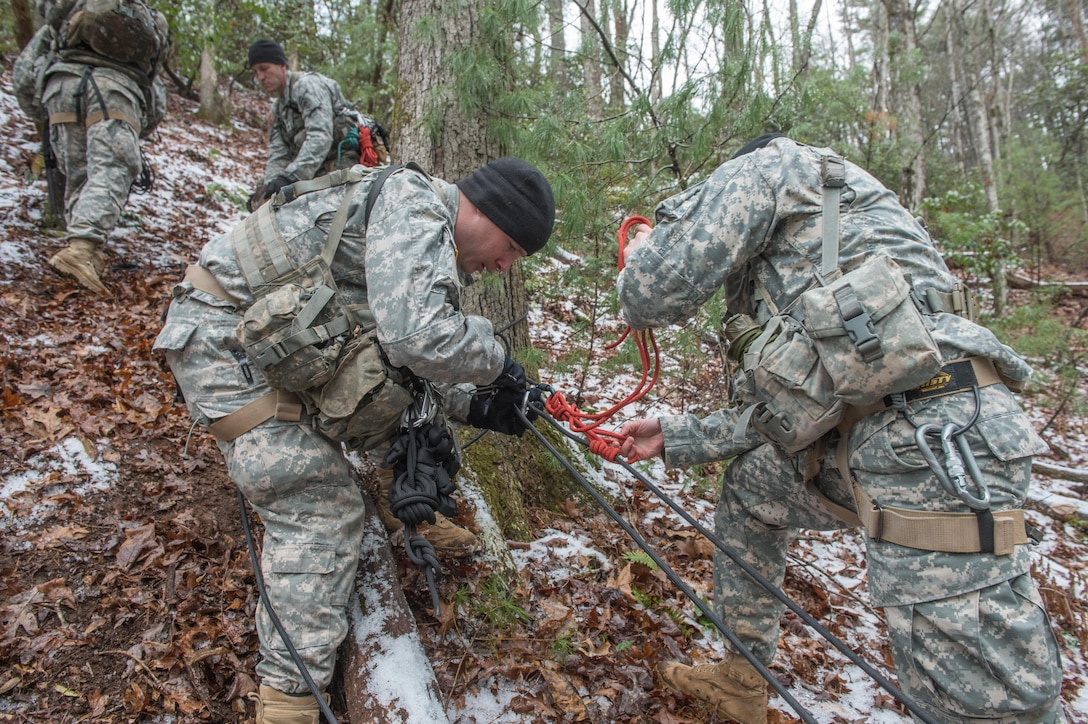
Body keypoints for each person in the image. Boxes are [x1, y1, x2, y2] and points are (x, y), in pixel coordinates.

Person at [614, 135, 1063, 723]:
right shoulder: (842, 221)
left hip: (935, 440)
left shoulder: (773, 166)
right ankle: (741, 679)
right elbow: (785, 413)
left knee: (986, 704)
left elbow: (652, 294)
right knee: (751, 490)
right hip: (889, 433)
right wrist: (677, 437)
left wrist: (646, 249)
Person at [153, 158, 555, 722]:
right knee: (318, 504)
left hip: (273, 337)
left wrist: (484, 405)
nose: (505, 264)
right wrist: (500, 367)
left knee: (398, 399)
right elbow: (418, 338)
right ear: (484, 211)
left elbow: (396, 361)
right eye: (510, 245)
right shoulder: (416, 208)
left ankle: (405, 506)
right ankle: (288, 701)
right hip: (223, 339)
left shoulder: (419, 227)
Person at [35, 0, 170, 293]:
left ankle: (83, 253)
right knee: (112, 168)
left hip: (62, 85)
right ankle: (83, 249)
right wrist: (142, 123)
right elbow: (154, 83)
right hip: (117, 91)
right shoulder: (151, 19)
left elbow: (37, 53)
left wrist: (39, 101)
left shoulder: (67, 5)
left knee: (79, 173)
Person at [247, 39, 389, 211]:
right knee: (262, 197)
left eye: (264, 69)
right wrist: (272, 187)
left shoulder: (307, 86)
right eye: (255, 72)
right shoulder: (278, 108)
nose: (260, 77)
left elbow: (320, 137)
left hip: (341, 165)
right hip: (313, 170)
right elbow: (279, 152)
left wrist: (290, 177)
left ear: (282, 66)